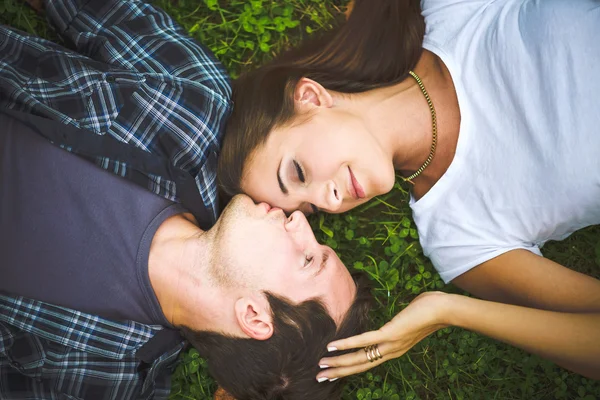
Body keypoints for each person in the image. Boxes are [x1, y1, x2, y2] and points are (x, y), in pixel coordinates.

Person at [0, 1, 372, 398]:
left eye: (308, 258)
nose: (300, 222)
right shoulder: (196, 114)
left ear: (254, 316)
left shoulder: (104, 382)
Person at [217, 0, 600, 382]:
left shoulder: (447, 11)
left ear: (310, 97)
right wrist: (448, 311)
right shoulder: (457, 233)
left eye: (299, 173)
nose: (329, 200)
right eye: (311, 209)